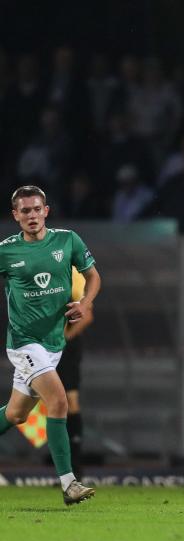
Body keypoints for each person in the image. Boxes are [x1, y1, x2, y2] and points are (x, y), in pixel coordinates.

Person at [0, 185, 100, 505]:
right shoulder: (6, 251)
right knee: (59, 402)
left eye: (36, 209)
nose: (31, 215)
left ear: (46, 211)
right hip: (24, 343)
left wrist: (85, 303)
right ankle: (69, 483)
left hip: (54, 343)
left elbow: (94, 276)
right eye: (24, 211)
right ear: (16, 216)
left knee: (16, 414)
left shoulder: (68, 240)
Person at [57, 266, 93, 479]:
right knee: (39, 404)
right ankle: (65, 469)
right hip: (44, 346)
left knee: (70, 401)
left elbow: (87, 316)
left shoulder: (72, 274)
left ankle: (74, 469)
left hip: (66, 348)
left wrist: (65, 338)